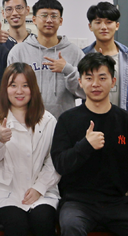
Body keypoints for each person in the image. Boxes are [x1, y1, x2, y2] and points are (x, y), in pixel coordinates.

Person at [51, 53, 128, 236]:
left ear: (113, 81)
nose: (95, 84)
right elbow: (60, 164)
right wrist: (85, 145)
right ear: (80, 82)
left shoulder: (124, 120)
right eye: (89, 78)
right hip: (78, 202)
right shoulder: (67, 119)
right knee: (71, 226)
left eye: (102, 78)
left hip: (117, 201)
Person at [0, 63, 59, 236]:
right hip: (2, 192)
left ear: (33, 88)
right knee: (17, 221)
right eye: (13, 85)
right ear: (5, 89)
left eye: (25, 85)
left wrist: (40, 187)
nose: (19, 91)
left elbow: (55, 159)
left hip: (41, 190)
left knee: (43, 219)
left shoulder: (48, 120)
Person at [7, 0, 85, 119]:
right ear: (34, 19)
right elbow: (9, 91)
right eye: (44, 15)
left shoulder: (75, 52)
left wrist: (67, 69)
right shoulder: (18, 52)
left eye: (54, 16)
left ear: (61, 21)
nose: (49, 20)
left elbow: (84, 92)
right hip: (27, 121)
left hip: (63, 122)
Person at [83, 1, 128, 110]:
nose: (103, 27)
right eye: (98, 22)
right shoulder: (82, 56)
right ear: (90, 26)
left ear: (117, 26)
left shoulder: (126, 56)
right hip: (91, 116)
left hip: (122, 117)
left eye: (109, 22)